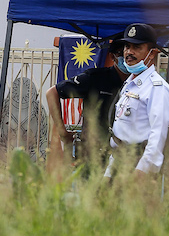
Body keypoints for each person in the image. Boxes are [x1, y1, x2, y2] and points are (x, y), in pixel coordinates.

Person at [45, 37, 129, 176]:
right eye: (120, 53)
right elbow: (52, 93)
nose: (125, 57)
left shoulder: (140, 83)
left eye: (128, 52)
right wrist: (63, 132)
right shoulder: (96, 78)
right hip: (92, 154)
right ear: (112, 56)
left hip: (124, 155)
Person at [105, 23, 169, 180]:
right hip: (118, 163)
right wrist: (109, 173)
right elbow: (120, 132)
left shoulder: (157, 87)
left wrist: (144, 170)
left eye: (136, 47)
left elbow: (158, 133)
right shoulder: (129, 84)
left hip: (138, 166)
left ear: (152, 53)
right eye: (127, 46)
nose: (129, 52)